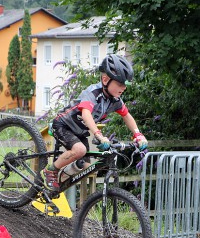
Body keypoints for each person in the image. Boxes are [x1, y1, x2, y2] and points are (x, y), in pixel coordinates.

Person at [41, 54, 148, 190]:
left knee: (87, 168)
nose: (124, 88)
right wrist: (98, 135)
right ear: (105, 79)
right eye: (120, 84)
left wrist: (138, 134)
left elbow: (126, 115)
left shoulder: (114, 100)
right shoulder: (93, 93)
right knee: (80, 150)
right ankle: (50, 170)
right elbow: (86, 114)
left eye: (125, 84)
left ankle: (58, 181)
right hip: (63, 124)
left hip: (79, 132)